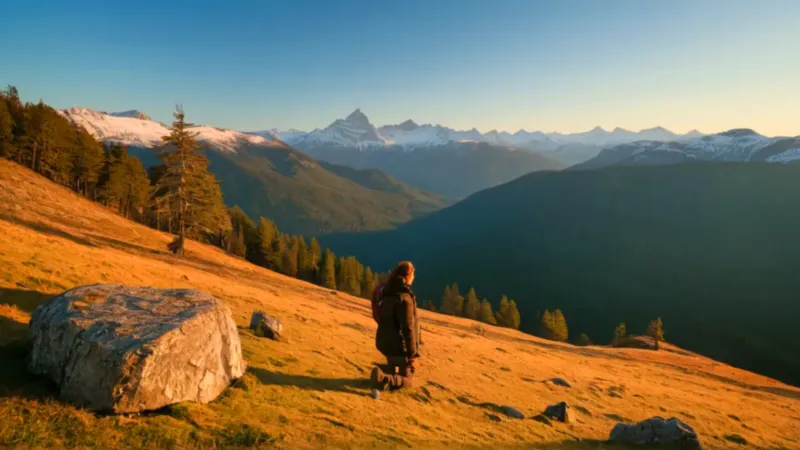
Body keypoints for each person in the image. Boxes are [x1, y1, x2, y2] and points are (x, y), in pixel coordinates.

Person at [370, 261, 421, 391]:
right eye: (413, 274)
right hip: (399, 348)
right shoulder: (404, 299)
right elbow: (408, 329)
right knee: (408, 382)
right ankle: (385, 379)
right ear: (408, 276)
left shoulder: (387, 291)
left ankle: (387, 372)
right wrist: (411, 354)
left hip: (384, 343)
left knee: (395, 367)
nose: (414, 277)